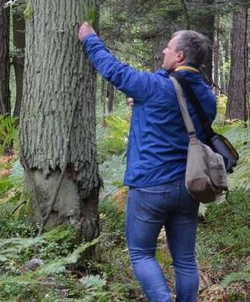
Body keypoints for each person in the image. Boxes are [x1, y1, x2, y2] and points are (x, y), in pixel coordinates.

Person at [78, 22, 216, 302]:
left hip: (150, 186)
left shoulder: (154, 87)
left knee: (141, 254)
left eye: (169, 46)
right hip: (190, 186)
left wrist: (90, 39)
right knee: (186, 260)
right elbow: (178, 113)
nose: (164, 50)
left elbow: (116, 72)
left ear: (179, 57)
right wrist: (143, 103)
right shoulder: (207, 96)